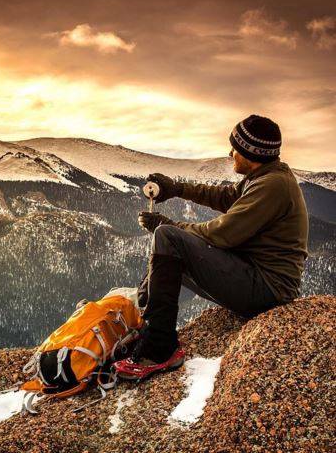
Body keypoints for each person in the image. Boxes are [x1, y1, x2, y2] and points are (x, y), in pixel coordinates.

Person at [113, 114, 309, 381]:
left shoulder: (273, 185)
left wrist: (170, 224)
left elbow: (221, 235)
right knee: (168, 257)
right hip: (254, 276)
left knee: (168, 238)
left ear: (251, 153)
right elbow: (226, 197)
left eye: (236, 149)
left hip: (268, 289)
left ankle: (160, 349)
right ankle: (146, 327)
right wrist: (176, 188)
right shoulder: (265, 176)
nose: (231, 154)